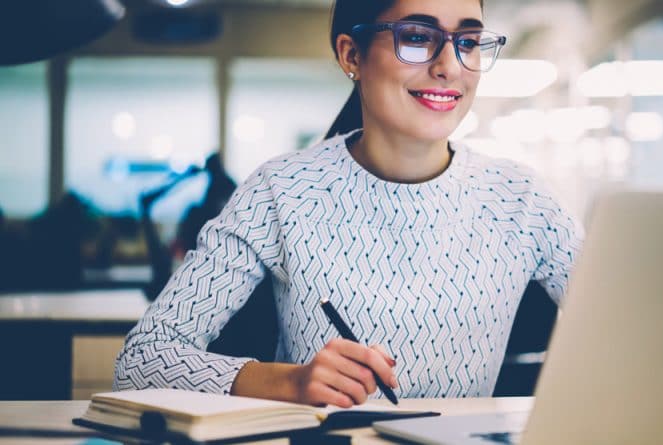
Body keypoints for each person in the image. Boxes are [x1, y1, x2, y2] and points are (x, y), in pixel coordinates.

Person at [114, 0, 582, 408]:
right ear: (351, 54)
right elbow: (143, 358)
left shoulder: (521, 200)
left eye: (469, 41)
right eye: (417, 37)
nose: (450, 66)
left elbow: (639, 331)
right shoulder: (283, 190)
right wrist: (287, 381)